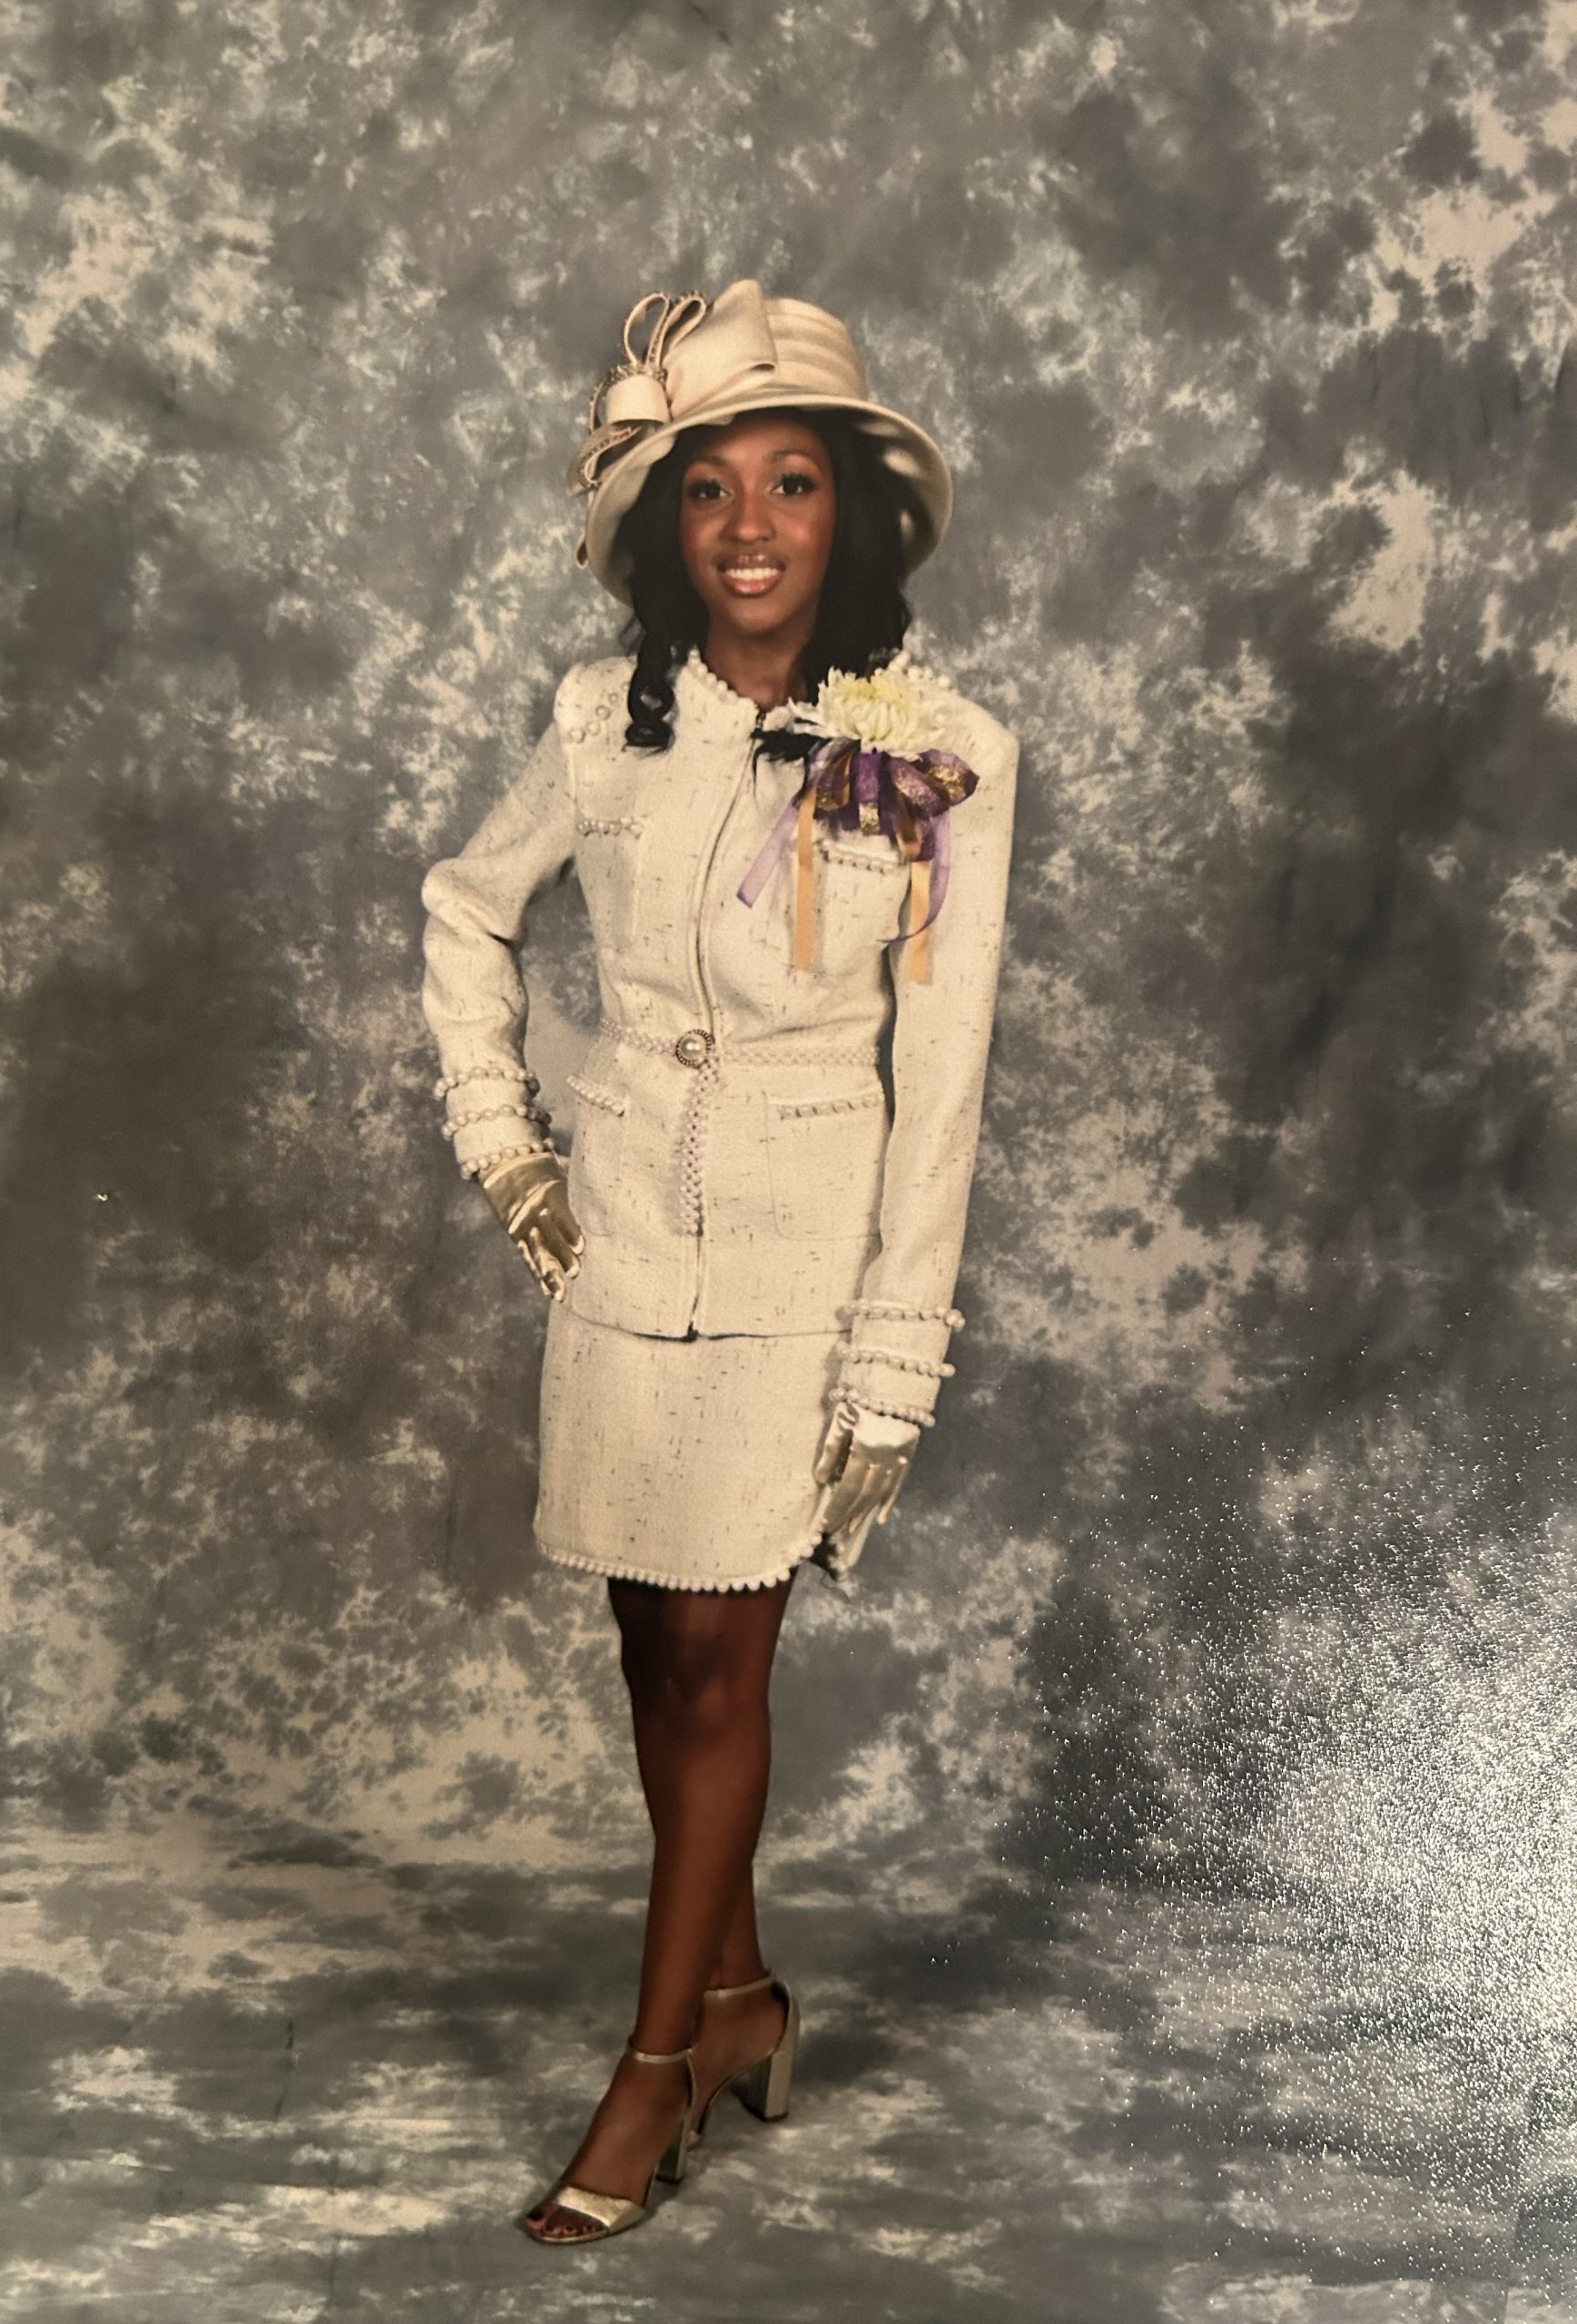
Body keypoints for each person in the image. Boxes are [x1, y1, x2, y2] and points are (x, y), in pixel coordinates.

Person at [419, 278, 1020, 2244]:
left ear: (852, 514)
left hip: (801, 1269)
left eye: (791, 483)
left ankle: (655, 2063)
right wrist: (508, 1143)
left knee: (718, 1661)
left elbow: (940, 1083)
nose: (749, 526)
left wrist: (894, 1358)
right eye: (707, 488)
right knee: (646, 1650)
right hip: (618, 1254)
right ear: (663, 525)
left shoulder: (934, 752)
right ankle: (745, 1990)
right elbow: (467, 908)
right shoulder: (603, 723)